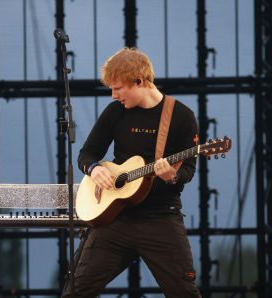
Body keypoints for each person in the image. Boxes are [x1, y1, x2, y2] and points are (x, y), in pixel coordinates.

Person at [62, 47, 201, 297]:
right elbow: (86, 154)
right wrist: (94, 170)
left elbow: (188, 170)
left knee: (185, 293)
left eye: (118, 88)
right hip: (116, 220)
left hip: (161, 219)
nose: (114, 95)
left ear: (140, 81)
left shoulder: (181, 116)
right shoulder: (115, 112)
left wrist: (172, 176)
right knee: (75, 291)